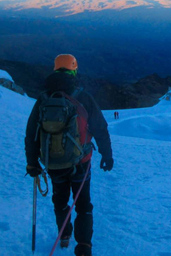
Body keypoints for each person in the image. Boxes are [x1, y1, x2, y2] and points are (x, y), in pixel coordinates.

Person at [25, 54, 114, 256]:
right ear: (74, 70)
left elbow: (31, 134)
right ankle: (84, 246)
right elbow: (100, 129)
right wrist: (107, 156)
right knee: (83, 205)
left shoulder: (44, 99)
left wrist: (32, 164)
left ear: (55, 70)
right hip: (81, 162)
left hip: (53, 163)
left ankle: (64, 235)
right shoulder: (83, 97)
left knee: (60, 201)